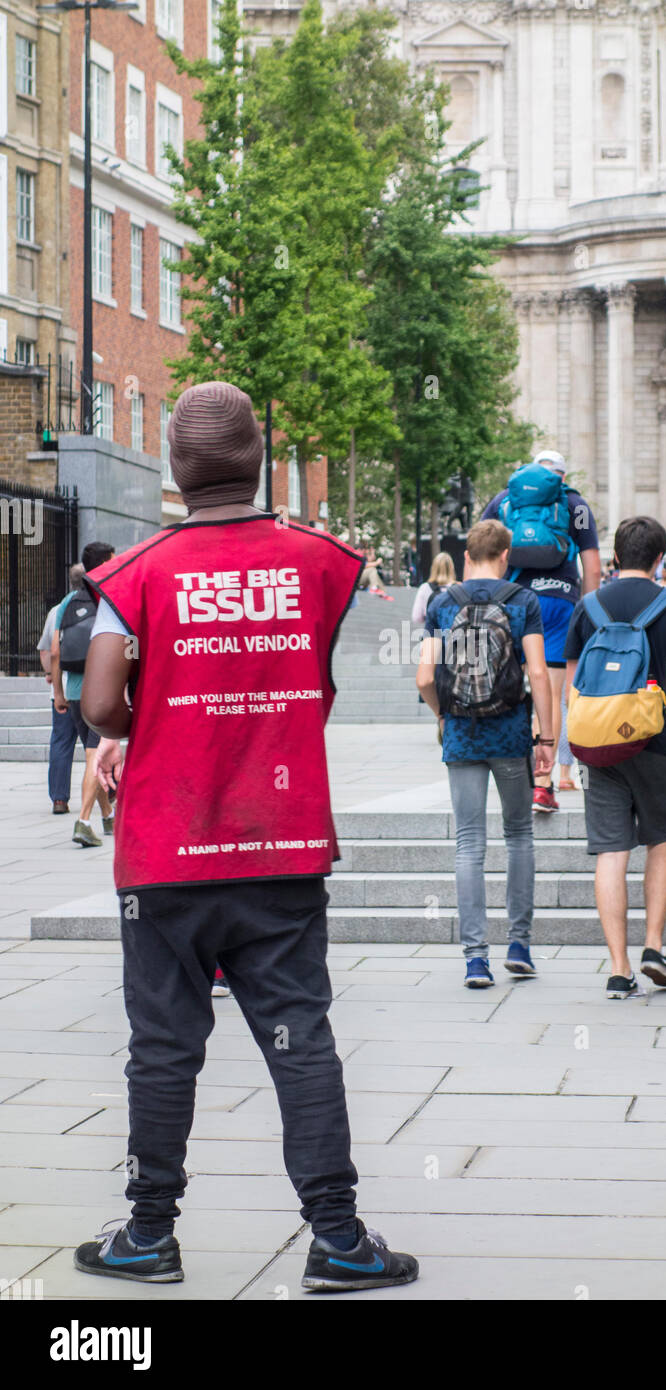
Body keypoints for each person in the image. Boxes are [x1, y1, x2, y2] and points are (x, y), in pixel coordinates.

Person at [73, 380, 417, 1293]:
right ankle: (338, 1240)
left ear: (177, 470)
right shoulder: (319, 561)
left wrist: (144, 724)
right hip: (280, 842)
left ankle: (149, 1234)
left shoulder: (136, 574)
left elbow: (103, 704)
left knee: (162, 1044)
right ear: (259, 457)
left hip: (165, 846)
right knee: (302, 1036)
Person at [564, 516, 666, 1000]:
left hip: (601, 746)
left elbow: (572, 690)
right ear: (661, 559)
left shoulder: (588, 607)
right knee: (661, 840)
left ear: (616, 557)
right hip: (656, 741)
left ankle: (618, 968)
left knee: (610, 852)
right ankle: (653, 946)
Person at [416, 518, 554, 988]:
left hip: (461, 733)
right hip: (511, 734)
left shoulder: (442, 602)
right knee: (518, 835)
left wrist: (442, 713)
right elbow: (538, 671)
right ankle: (519, 944)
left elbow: (422, 677)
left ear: (468, 555)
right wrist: (549, 738)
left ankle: (476, 958)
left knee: (469, 844)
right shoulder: (522, 601)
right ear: (506, 557)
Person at [482, 448, 601, 814]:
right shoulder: (575, 504)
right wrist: (588, 615)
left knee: (509, 689)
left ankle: (513, 780)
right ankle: (543, 785)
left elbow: (480, 550)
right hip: (558, 602)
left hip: (511, 599)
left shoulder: (503, 500)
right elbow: (592, 567)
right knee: (548, 692)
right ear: (562, 476)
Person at [50, 543, 116, 847]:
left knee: (95, 755)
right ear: (105, 563)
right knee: (95, 756)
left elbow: (55, 651)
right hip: (101, 692)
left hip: (75, 693)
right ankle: (83, 822)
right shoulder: (112, 595)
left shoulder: (68, 601)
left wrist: (58, 694)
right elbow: (129, 642)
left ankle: (108, 817)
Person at [37, 561, 84, 813]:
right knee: (95, 743)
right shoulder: (99, 605)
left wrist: (50, 675)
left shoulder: (57, 610)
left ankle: (59, 798)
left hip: (62, 688)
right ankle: (108, 791)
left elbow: (46, 650)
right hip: (91, 686)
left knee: (62, 741)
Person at [411, 551, 457, 624]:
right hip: (455, 633)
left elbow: (416, 618)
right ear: (452, 568)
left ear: (433, 568)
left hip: (432, 633)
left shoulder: (425, 588)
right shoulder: (458, 589)